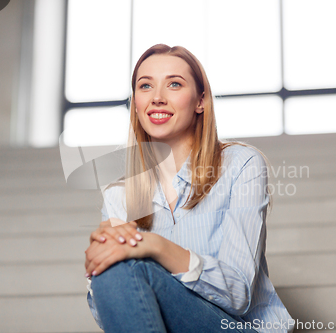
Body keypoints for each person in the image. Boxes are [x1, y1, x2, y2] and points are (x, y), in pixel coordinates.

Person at [84, 44, 293, 333]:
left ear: (201, 101)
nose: (157, 98)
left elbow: (238, 293)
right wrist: (100, 263)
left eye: (174, 84)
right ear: (136, 103)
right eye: (145, 86)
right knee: (114, 268)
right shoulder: (119, 196)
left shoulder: (241, 166)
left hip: (238, 327)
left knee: (128, 263)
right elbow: (120, 314)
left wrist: (155, 247)